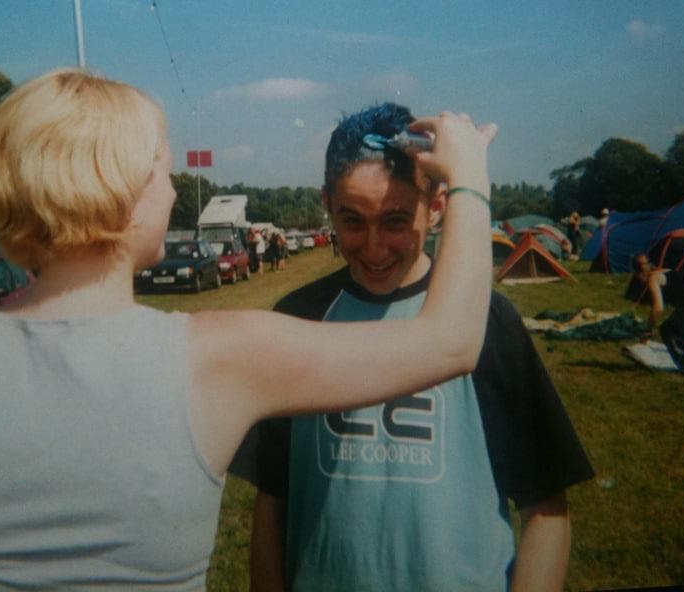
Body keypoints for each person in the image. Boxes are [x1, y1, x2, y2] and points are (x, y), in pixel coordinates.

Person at [0, 69, 496, 592]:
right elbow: (452, 341)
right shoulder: (215, 356)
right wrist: (469, 180)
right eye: (161, 169)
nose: (171, 186)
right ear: (126, 193)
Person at [240, 102, 594, 592]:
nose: (374, 245)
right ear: (327, 203)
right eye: (352, 220)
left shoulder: (485, 321)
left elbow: (546, 509)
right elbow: (272, 501)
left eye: (395, 220)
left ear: (439, 208)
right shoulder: (298, 318)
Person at [627, 251, 684, 377]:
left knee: (667, 330)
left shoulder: (653, 278)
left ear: (638, 273)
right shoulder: (664, 271)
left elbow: (658, 308)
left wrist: (648, 331)